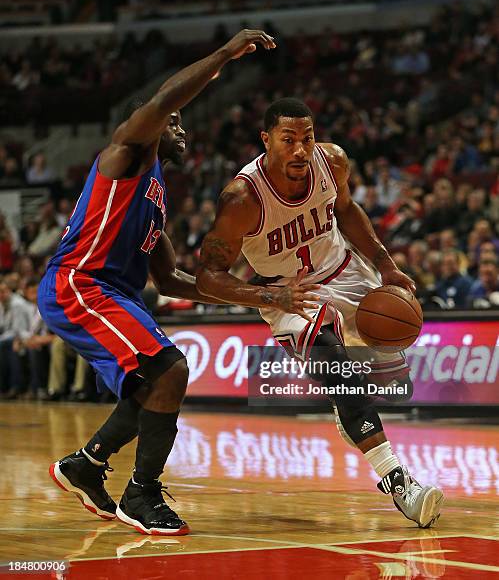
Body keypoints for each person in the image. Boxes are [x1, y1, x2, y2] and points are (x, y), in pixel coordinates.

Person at [38, 29, 276, 536]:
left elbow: (170, 279)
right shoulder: (126, 152)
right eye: (175, 123)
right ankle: (140, 494)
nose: (182, 128)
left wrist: (255, 296)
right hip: (80, 282)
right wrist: (223, 55)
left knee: (153, 383)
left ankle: (86, 465)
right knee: (170, 369)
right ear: (153, 123)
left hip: (113, 292)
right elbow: (167, 96)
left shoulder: (155, 193)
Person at [197, 97, 444, 528]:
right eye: (287, 139)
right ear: (266, 140)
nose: (299, 150)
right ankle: (399, 482)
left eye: (306, 138)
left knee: (387, 368)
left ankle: (349, 406)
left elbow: (346, 210)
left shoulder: (333, 163)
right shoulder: (242, 199)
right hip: (288, 292)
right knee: (339, 370)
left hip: (344, 270)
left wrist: (386, 264)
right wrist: (271, 300)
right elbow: (208, 278)